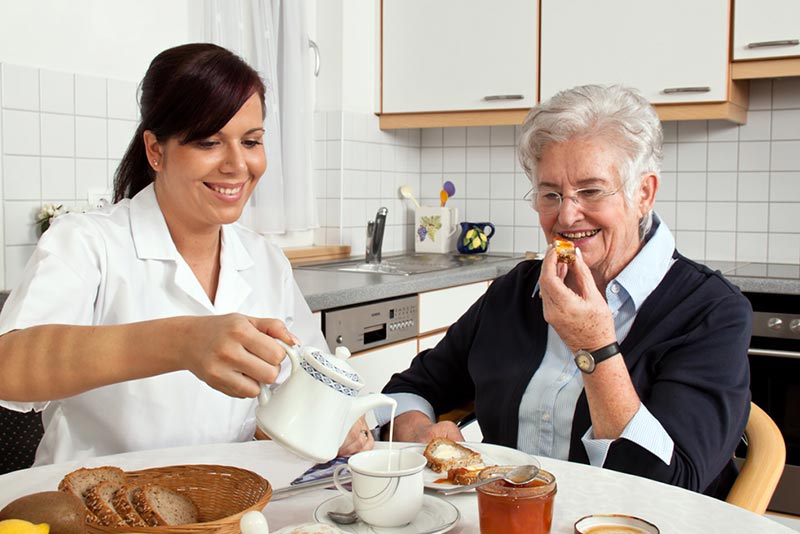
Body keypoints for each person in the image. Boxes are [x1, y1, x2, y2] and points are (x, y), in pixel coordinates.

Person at [0, 43, 373, 465]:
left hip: (225, 506)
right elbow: (8, 366)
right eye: (209, 142)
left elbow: (294, 390)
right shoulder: (88, 243)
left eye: (251, 141)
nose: (237, 164)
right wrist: (183, 342)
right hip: (97, 511)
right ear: (156, 150)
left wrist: (334, 421)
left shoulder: (265, 261)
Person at [380, 84, 751, 498]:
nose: (567, 215)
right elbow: (407, 389)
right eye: (550, 194)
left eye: (591, 191)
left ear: (643, 193)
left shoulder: (711, 310)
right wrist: (420, 436)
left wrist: (594, 345)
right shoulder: (515, 292)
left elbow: (669, 489)